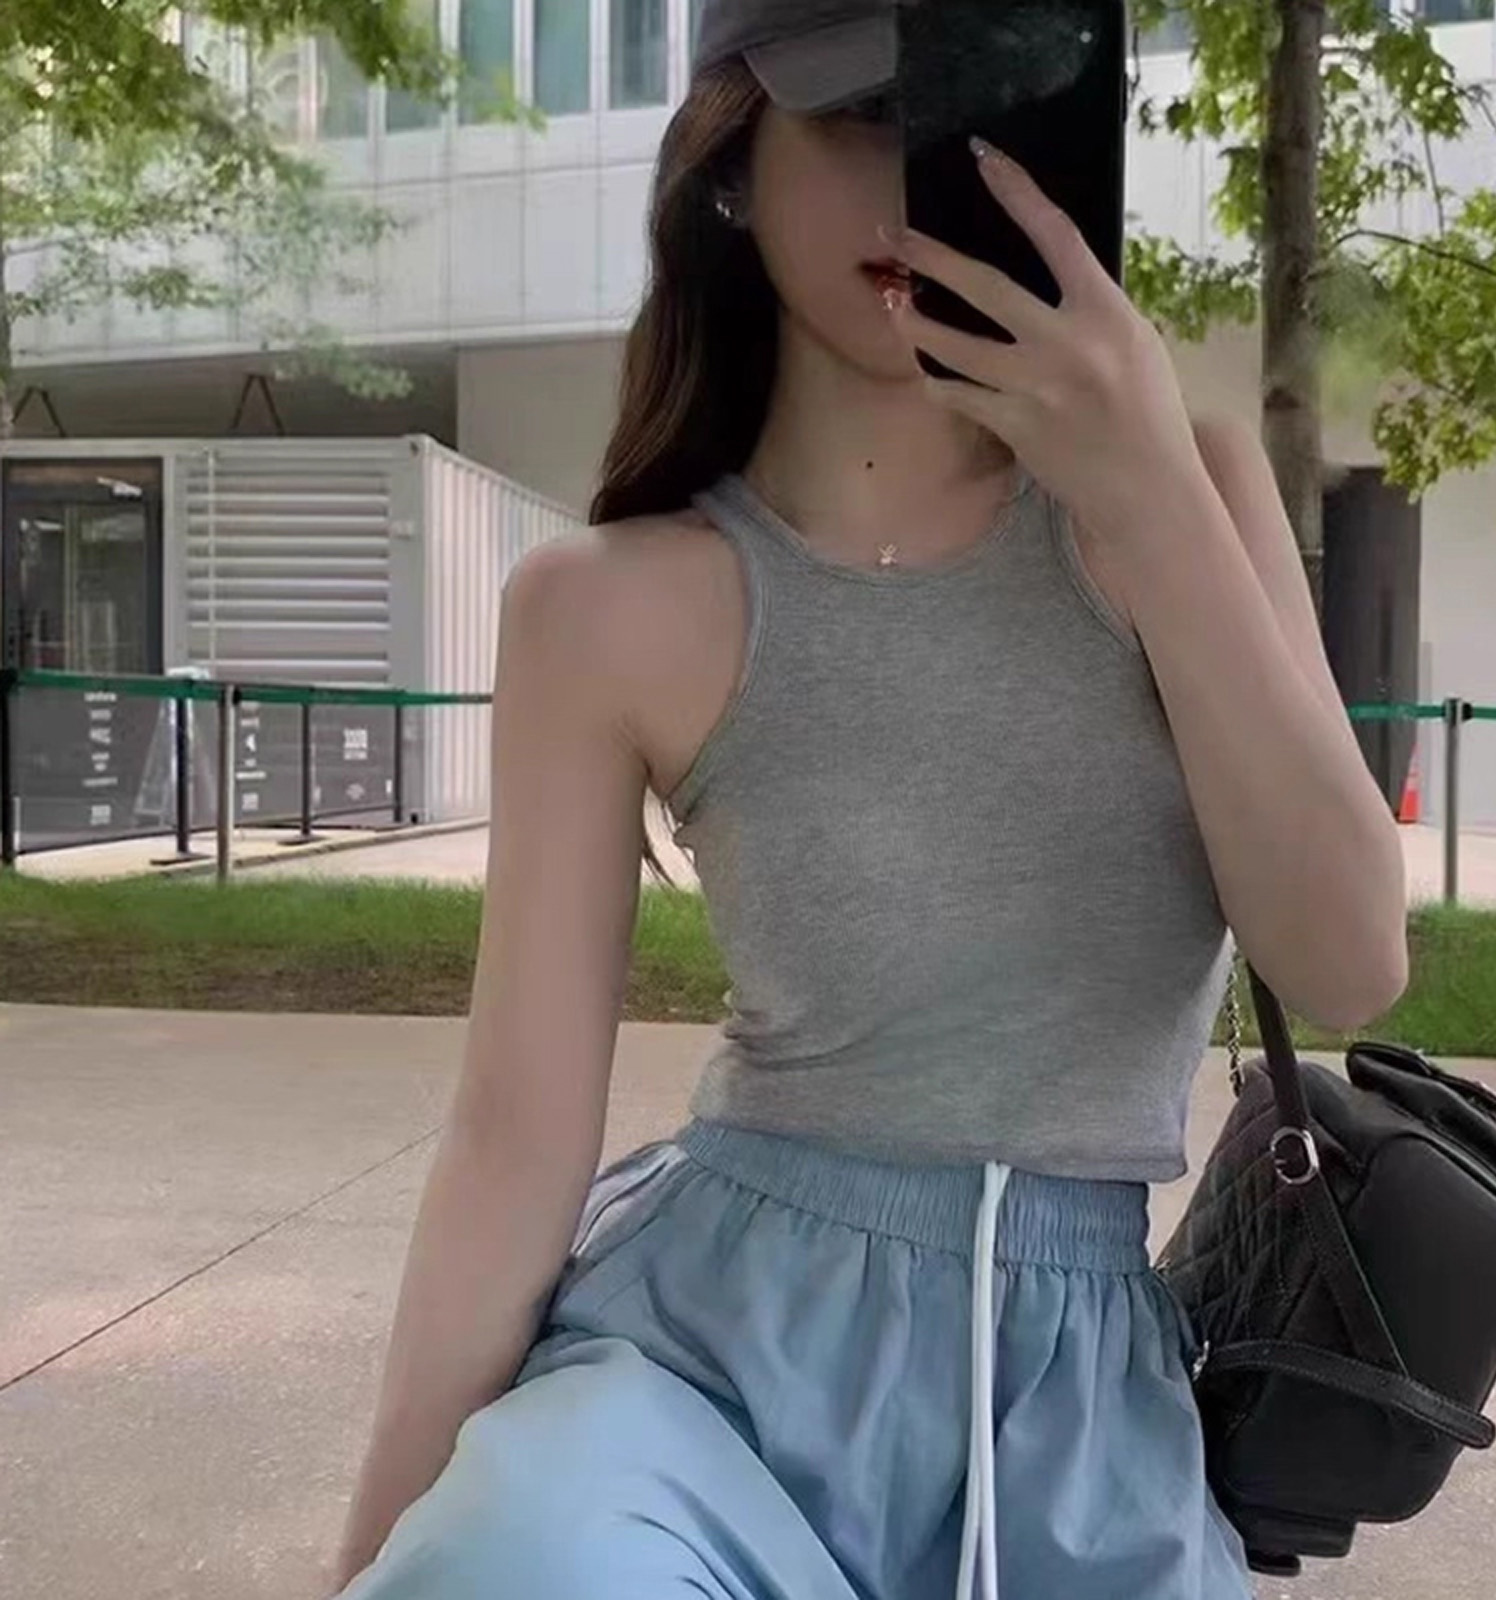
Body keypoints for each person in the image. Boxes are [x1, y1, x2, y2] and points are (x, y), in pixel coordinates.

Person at [329, 2, 1409, 1595]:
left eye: (975, 122)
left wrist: (1144, 496)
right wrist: (381, 1548)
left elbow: (1349, 961)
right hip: (700, 1382)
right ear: (729, 168)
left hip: (1077, 1426)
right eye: (858, 116)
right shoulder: (605, 605)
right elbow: (511, 1140)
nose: (920, 183)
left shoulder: (1191, 490)